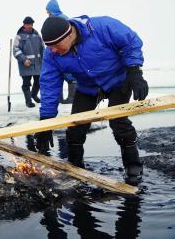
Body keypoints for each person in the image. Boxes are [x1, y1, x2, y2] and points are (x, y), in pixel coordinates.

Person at [34, 15, 148, 184]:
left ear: (69, 35)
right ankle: (75, 168)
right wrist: (46, 121)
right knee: (75, 127)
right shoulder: (51, 54)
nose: (53, 51)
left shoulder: (101, 27)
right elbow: (49, 84)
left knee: (118, 122)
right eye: (49, 47)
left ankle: (133, 167)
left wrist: (135, 72)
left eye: (56, 45)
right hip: (88, 87)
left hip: (118, 80)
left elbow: (131, 42)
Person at [46, 0, 77, 104]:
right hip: (58, 52)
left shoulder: (61, 19)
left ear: (52, 10)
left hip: (64, 52)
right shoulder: (61, 18)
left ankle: (71, 97)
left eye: (48, 10)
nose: (47, 13)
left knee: (68, 75)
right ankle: (61, 98)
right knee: (60, 75)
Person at [12, 16, 44, 107]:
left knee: (38, 82)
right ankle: (28, 101)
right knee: (26, 83)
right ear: (24, 25)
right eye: (28, 24)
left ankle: (33, 95)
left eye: (31, 24)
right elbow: (15, 50)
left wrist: (44, 59)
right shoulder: (19, 36)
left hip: (37, 64)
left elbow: (42, 48)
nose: (30, 26)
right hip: (26, 64)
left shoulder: (37, 35)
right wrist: (24, 59)